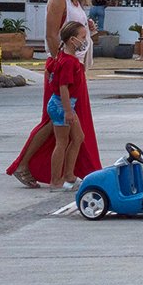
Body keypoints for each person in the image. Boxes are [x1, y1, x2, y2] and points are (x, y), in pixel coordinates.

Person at [6, 0, 103, 187]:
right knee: (54, 122)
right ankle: (27, 166)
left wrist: (86, 31)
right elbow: (51, 36)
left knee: (64, 125)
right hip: (63, 71)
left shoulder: (75, 1)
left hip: (73, 68)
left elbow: (67, 32)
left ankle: (66, 172)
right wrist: (60, 67)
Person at [45, 21, 88, 187]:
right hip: (62, 105)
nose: (84, 40)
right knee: (62, 142)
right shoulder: (68, 62)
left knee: (78, 138)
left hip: (65, 104)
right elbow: (63, 87)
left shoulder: (65, 56)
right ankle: (56, 180)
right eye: (82, 37)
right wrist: (68, 111)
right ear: (72, 40)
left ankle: (69, 175)